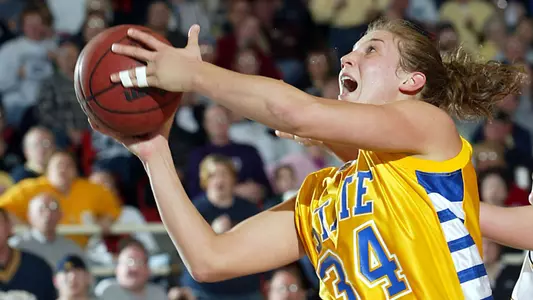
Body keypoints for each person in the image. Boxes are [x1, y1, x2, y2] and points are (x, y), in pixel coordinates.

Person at [93, 18, 525, 299]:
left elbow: (295, 110)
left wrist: (195, 74)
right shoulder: (320, 194)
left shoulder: (430, 129)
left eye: (371, 50)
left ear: (412, 81)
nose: (347, 56)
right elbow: (210, 260)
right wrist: (154, 153)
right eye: (353, 48)